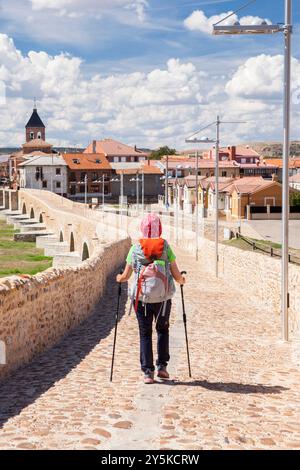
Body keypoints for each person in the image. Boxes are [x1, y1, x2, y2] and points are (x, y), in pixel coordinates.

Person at [116, 213, 185, 384]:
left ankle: (148, 372)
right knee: (162, 330)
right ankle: (162, 366)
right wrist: (182, 280)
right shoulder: (165, 247)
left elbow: (125, 276)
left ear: (142, 228)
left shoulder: (135, 248)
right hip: (163, 299)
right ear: (159, 228)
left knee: (145, 333)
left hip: (141, 299)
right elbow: (176, 275)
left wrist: (119, 279)